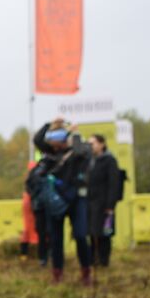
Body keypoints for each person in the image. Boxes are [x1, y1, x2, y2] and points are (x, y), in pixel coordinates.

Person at [32, 121, 93, 283]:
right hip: (56, 200)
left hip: (76, 198)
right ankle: (57, 274)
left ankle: (86, 272)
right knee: (56, 239)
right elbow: (37, 140)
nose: (53, 142)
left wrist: (75, 134)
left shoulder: (80, 148)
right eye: (51, 138)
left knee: (80, 236)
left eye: (57, 137)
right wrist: (49, 124)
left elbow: (81, 152)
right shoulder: (51, 152)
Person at [84, 134, 122, 268]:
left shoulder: (109, 161)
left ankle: (104, 260)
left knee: (104, 233)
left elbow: (114, 183)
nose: (90, 146)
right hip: (90, 202)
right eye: (89, 144)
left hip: (103, 203)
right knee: (91, 232)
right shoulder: (88, 161)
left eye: (93, 143)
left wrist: (110, 205)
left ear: (102, 144)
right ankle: (92, 260)